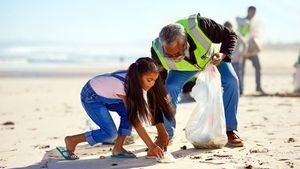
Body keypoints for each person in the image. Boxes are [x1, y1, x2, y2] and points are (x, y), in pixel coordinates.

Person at [151, 13, 244, 147]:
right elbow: (157, 88)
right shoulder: (157, 51)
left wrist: (222, 55)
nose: (173, 56)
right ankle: (167, 134)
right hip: (183, 69)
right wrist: (157, 122)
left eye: (177, 53)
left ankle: (229, 131)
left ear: (186, 42)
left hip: (213, 58)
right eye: (169, 54)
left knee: (231, 81)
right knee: (169, 88)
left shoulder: (200, 26)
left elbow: (230, 35)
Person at [56, 57, 174, 160]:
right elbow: (136, 121)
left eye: (154, 80)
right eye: (149, 80)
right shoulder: (125, 86)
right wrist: (152, 146)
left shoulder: (134, 81)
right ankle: (72, 140)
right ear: (138, 76)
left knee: (127, 115)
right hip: (91, 96)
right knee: (110, 134)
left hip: (108, 95)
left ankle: (118, 149)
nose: (152, 84)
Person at [236, 6, 264, 94]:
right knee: (242, 70)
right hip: (244, 49)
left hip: (252, 49)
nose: (253, 14)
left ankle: (258, 87)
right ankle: (241, 89)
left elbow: (256, 35)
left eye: (254, 13)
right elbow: (241, 35)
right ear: (248, 11)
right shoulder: (242, 22)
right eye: (251, 12)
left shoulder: (254, 23)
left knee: (258, 67)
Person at [224, 21, 248, 95]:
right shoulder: (223, 35)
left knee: (238, 76)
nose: (228, 29)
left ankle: (240, 91)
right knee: (228, 77)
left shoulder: (237, 35)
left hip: (236, 59)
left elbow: (245, 44)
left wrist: (242, 53)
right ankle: (230, 91)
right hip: (226, 60)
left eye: (229, 28)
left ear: (232, 27)